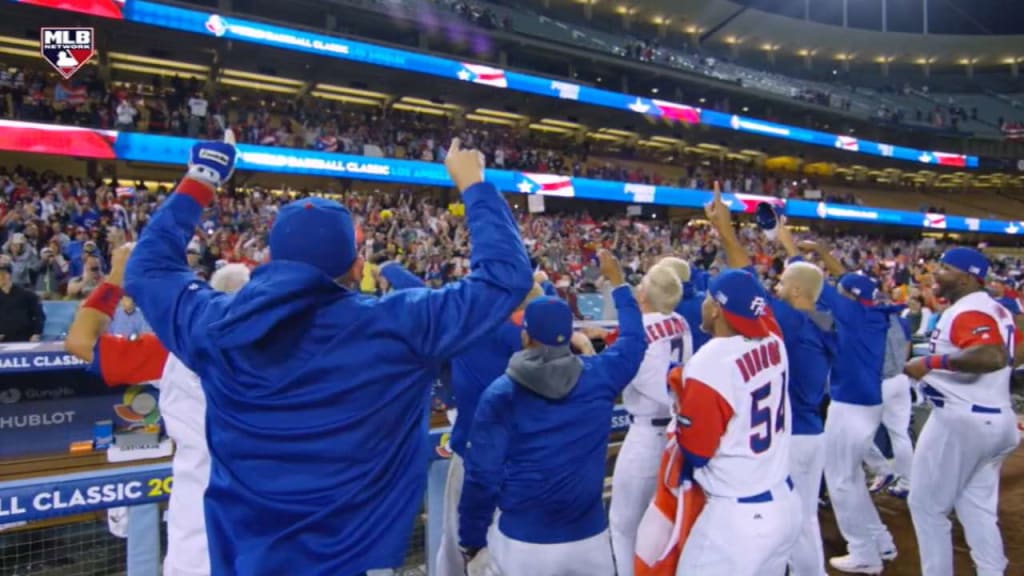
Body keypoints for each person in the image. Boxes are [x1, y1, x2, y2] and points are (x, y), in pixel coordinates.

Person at [123, 134, 533, 575]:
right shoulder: (399, 325)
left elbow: (147, 268)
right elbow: (506, 278)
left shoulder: (215, 326)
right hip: (357, 562)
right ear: (357, 267)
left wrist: (201, 178)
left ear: (270, 260)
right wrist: (474, 185)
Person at [65, 243, 251, 576]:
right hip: (277, 532)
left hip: (200, 534)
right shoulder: (296, 349)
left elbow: (80, 340)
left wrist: (117, 277)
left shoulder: (174, 349)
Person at [458, 250, 646, 576]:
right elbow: (634, 339)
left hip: (523, 542)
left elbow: (481, 477)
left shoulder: (502, 394)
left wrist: (472, 540)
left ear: (526, 335)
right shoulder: (600, 375)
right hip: (589, 541)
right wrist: (617, 282)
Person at [702, 198, 835, 576]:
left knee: (784, 528)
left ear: (795, 293)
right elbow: (807, 280)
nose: (775, 287)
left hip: (788, 437)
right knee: (805, 519)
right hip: (815, 429)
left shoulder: (788, 324)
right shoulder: (823, 318)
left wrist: (725, 231)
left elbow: (746, 282)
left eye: (781, 284)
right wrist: (784, 239)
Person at [672, 267, 799, 576]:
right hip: (785, 505)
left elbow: (697, 453)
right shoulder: (774, 341)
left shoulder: (710, 362)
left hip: (736, 521)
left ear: (716, 309)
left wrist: (681, 411)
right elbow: (761, 314)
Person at [904, 247, 1022, 576]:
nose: (935, 274)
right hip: (996, 418)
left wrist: (930, 362)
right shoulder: (995, 309)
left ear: (968, 278)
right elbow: (1013, 352)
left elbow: (992, 356)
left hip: (962, 421)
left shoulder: (970, 310)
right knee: (976, 506)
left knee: (927, 507)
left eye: (944, 268)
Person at [796, 241, 903, 575]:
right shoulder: (868, 315)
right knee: (851, 478)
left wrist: (788, 244)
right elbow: (841, 285)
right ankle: (880, 540)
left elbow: (812, 282)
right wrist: (823, 250)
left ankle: (864, 553)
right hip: (864, 404)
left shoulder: (856, 315)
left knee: (840, 481)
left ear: (852, 298)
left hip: (852, 407)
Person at [609, 264, 686, 576]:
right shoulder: (681, 322)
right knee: (663, 521)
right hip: (676, 433)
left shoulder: (638, 330)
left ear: (643, 293)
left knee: (624, 524)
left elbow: (619, 373)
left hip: (646, 434)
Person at [0, 259, 44, 342]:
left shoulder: (26, 294)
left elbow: (39, 315)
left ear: (8, 275)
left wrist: (36, 334)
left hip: (24, 338)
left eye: (1, 274)